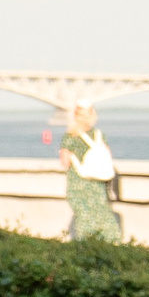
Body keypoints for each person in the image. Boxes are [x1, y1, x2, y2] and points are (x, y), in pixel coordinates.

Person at [60, 104, 124, 243]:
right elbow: (107, 157)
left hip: (78, 184)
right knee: (103, 216)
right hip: (98, 185)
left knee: (84, 218)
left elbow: (65, 162)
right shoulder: (99, 135)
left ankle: (86, 248)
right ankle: (110, 245)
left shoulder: (70, 136)